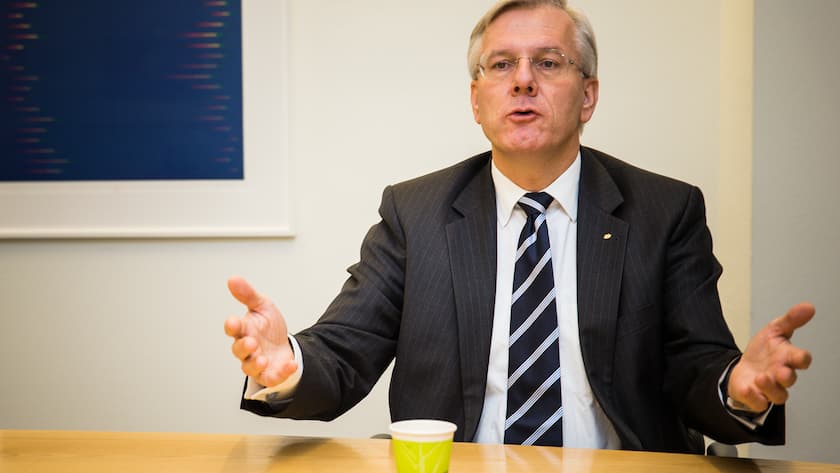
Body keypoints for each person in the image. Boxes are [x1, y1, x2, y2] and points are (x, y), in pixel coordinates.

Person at [224, 0, 814, 453]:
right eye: (501, 65)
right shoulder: (416, 213)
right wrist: (289, 364)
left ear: (588, 96)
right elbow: (346, 351)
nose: (523, 80)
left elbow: (696, 366)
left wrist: (738, 386)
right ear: (477, 100)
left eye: (548, 63)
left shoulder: (665, 211)